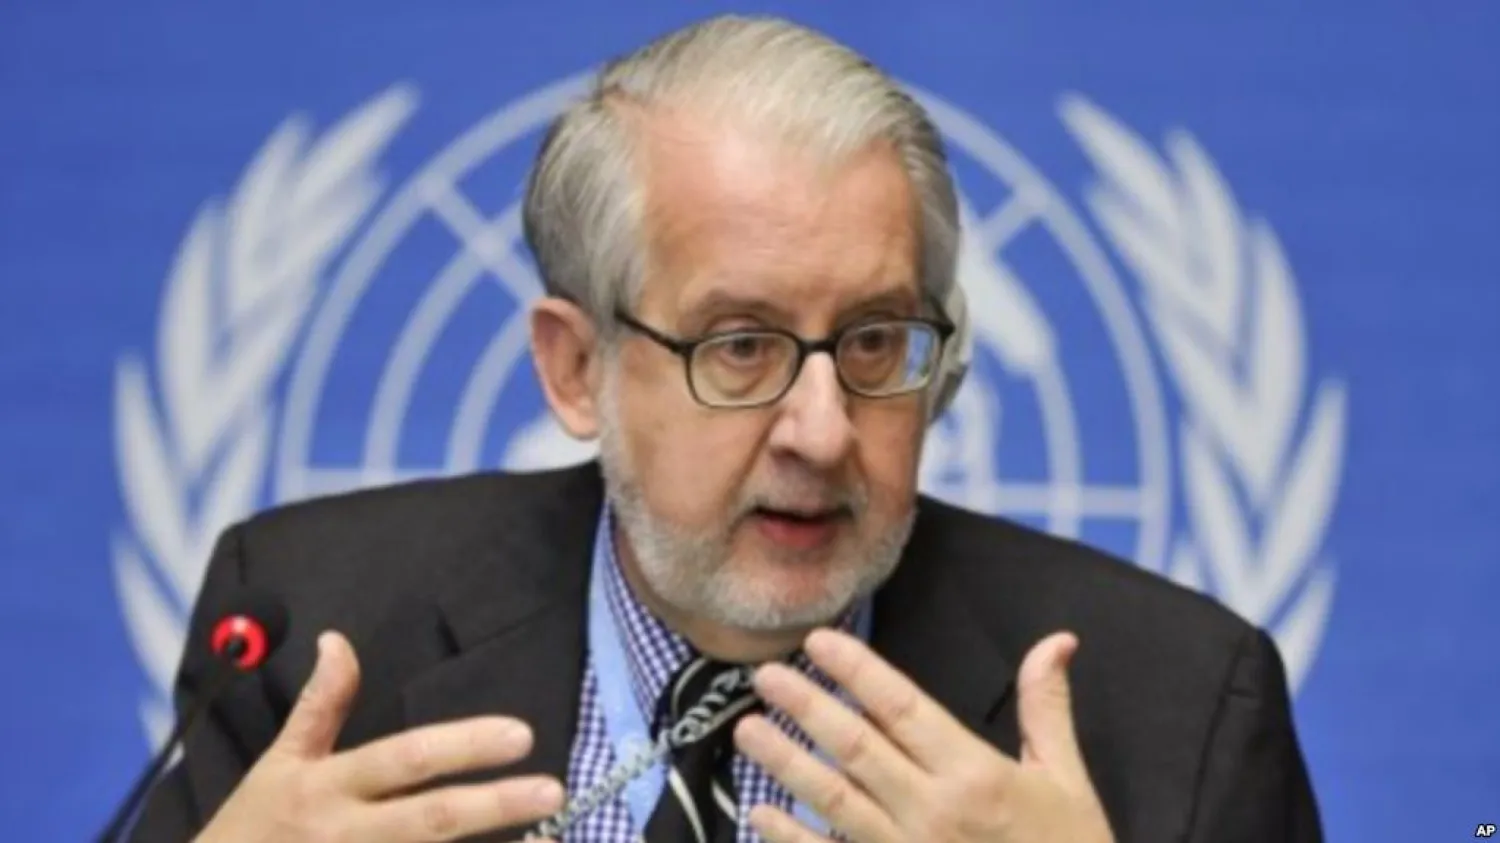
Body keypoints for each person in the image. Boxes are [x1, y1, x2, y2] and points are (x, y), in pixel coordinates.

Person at [128, 14, 1321, 843]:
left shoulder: (1175, 705)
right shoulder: (315, 634)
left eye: (873, 341)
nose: (821, 429)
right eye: (739, 345)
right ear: (577, 367)